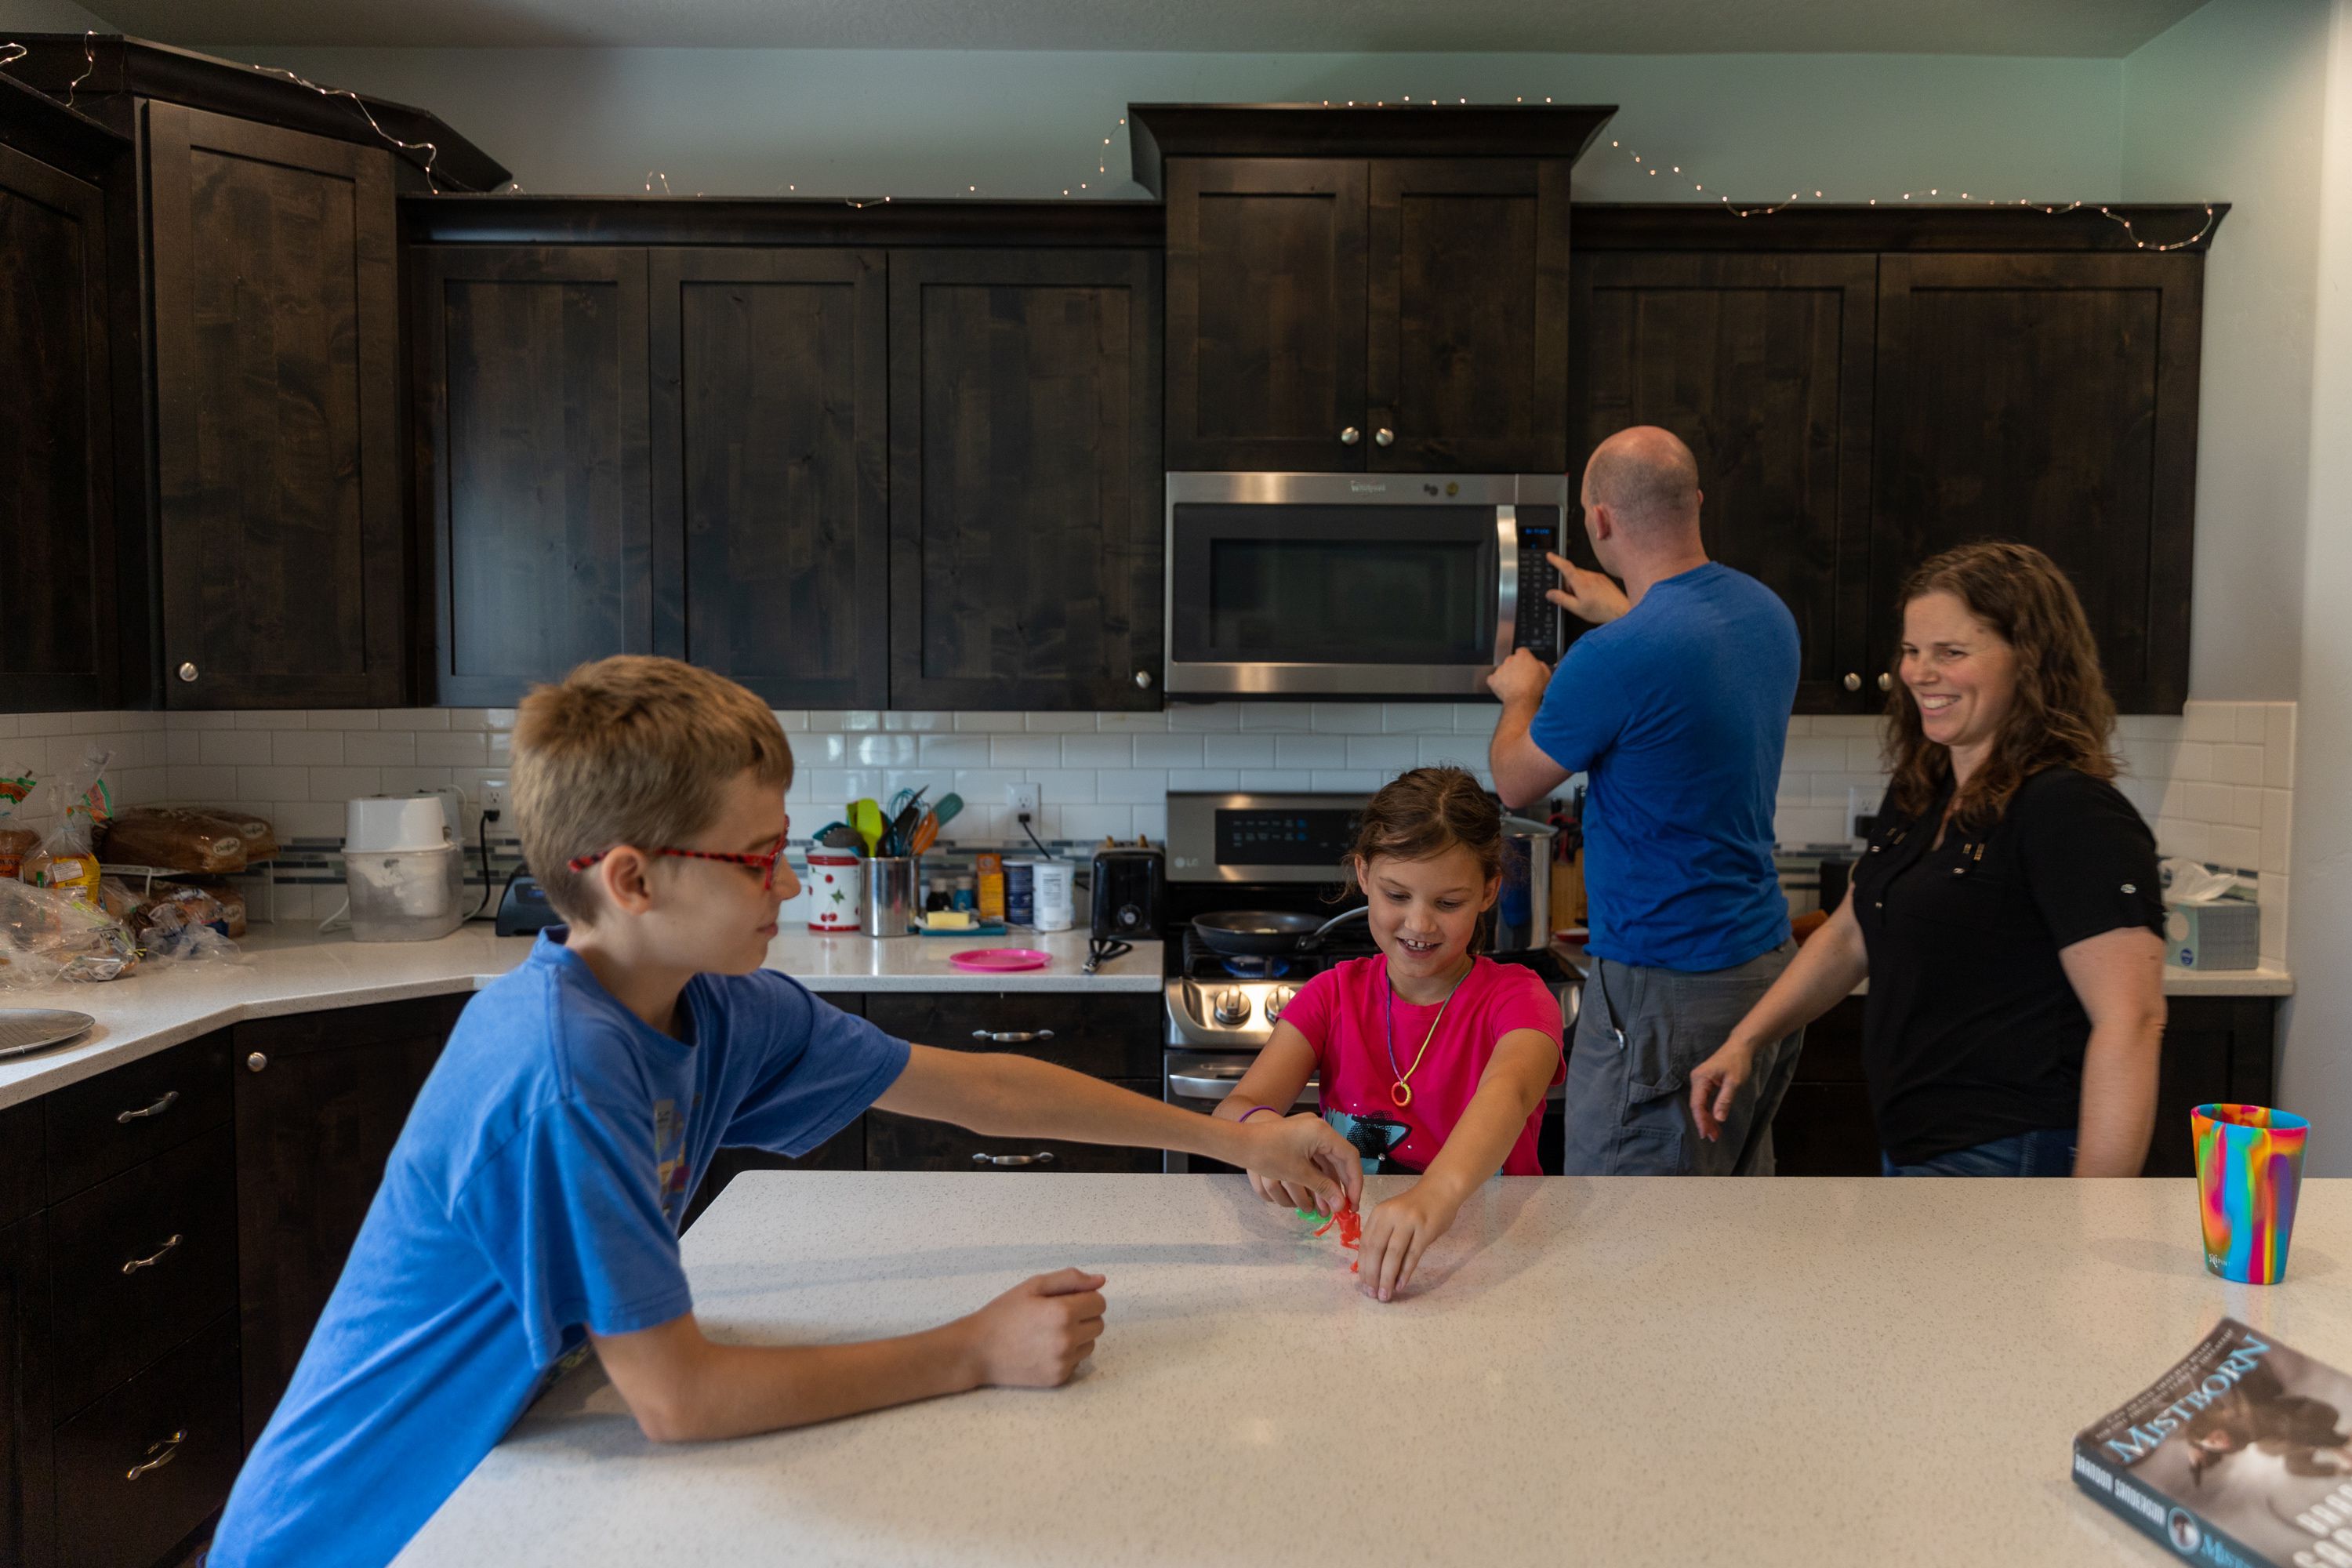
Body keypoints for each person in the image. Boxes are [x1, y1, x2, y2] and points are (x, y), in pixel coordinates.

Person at [208, 656, 1362, 1568]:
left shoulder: (717, 1008)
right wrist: (971, 1351)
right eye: (759, 859)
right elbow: (679, 1397)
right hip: (361, 1533)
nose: (795, 882)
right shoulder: (564, 1072)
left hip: (493, 1476)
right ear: (632, 880)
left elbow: (980, 1087)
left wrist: (1237, 1136)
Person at [1686, 542, 2166, 1178]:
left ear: (2031, 662)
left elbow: (2132, 1020)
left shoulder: (2070, 810)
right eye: (1913, 651)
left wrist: (2094, 1217)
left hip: (2014, 1155)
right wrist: (1748, 1038)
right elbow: (1853, 930)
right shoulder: (1925, 789)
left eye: (1951, 652)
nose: (1919, 673)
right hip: (1917, 1146)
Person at [1486, 426, 1803, 1176]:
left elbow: (1514, 780)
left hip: (1667, 990)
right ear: (1694, 501)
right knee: (1725, 1219)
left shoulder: (1614, 659)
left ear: (1599, 521)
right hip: (1762, 967)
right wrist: (1630, 608)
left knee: (1626, 1224)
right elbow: (1685, 668)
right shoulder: (1765, 614)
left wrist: (1522, 695)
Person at [1216, 768, 1565, 1301]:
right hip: (1353, 1267)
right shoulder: (1333, 995)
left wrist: (1437, 1194)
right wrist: (1261, 1134)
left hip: (1490, 1263)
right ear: (1363, 874)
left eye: (1448, 903)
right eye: (1397, 895)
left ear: (1489, 891)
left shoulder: (1518, 998)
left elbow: (1511, 1091)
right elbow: (1238, 1107)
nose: (1419, 924)